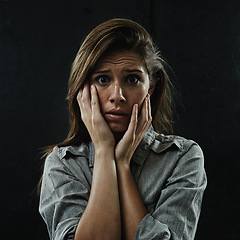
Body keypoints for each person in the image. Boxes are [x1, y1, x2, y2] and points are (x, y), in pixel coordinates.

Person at [39, 18, 207, 240]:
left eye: (132, 79)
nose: (117, 95)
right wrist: (103, 152)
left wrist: (122, 164)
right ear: (83, 88)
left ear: (151, 86)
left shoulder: (182, 158)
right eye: (102, 79)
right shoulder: (63, 164)